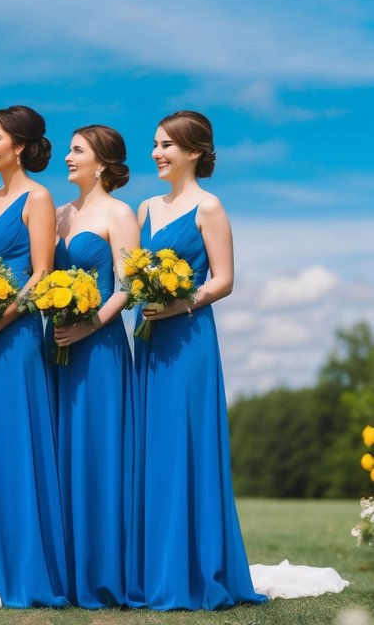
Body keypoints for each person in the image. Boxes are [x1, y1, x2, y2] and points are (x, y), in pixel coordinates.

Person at [128, 110, 265, 610]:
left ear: (194, 153)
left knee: (185, 445)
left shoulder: (209, 207)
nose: (156, 154)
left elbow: (224, 279)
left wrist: (178, 304)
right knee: (151, 449)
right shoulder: (144, 208)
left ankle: (196, 569)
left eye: (166, 146)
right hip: (148, 342)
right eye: (155, 144)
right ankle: (153, 568)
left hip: (188, 341)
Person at [0, 105, 68, 608]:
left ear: (19, 146)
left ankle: (21, 568)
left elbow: (41, 275)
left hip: (16, 339)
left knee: (15, 445)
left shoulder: (38, 197)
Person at [52, 124, 139, 608]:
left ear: (101, 162)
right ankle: (65, 571)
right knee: (60, 451)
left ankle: (105, 573)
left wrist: (89, 327)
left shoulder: (119, 214)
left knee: (98, 452)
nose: (68, 157)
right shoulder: (61, 214)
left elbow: (127, 286)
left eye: (77, 150)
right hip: (57, 346)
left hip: (100, 348)